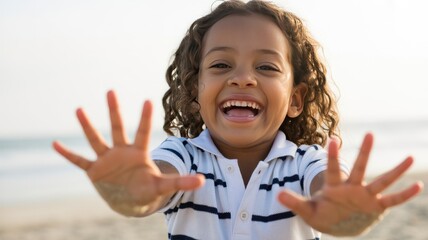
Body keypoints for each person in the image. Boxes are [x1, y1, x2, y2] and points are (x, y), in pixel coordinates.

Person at [52, 1, 424, 239]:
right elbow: (157, 185)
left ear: (295, 99)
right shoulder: (184, 157)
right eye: (220, 64)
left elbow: (330, 188)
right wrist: (133, 194)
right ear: (195, 95)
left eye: (265, 66)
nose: (242, 78)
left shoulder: (308, 161)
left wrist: (343, 209)